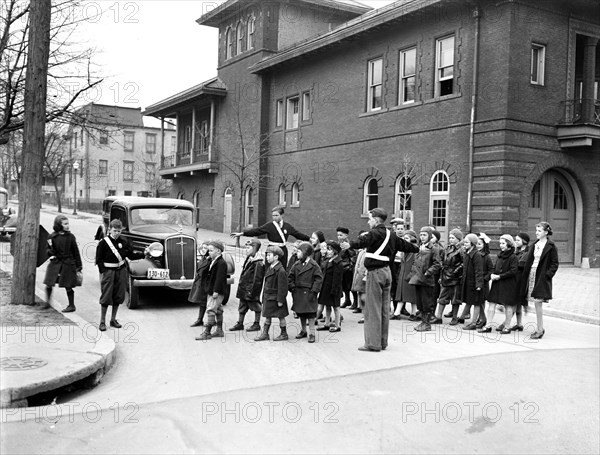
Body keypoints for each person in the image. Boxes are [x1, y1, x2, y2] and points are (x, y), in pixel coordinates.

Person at [342, 208, 419, 352]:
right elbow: (406, 246)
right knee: (384, 308)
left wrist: (350, 244)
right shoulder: (392, 234)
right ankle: (382, 342)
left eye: (370, 218)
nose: (368, 221)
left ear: (376, 220)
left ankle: (372, 343)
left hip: (375, 272)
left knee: (372, 309)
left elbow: (363, 240)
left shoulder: (374, 233)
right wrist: (418, 248)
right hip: (387, 272)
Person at [95, 219, 147, 331]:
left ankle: (113, 319)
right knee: (106, 296)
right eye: (115, 230)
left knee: (118, 296)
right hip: (108, 272)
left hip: (121, 271)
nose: (117, 233)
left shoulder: (124, 241)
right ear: (110, 230)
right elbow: (98, 259)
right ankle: (102, 321)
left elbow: (131, 255)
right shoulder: (103, 243)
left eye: (119, 231)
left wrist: (144, 254)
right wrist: (103, 272)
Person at [230, 206, 309, 267]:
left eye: (276, 215)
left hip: (283, 251)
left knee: (282, 270)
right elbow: (257, 231)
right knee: (269, 270)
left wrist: (309, 239)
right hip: (271, 250)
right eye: (273, 215)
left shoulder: (287, 226)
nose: (274, 217)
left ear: (282, 215)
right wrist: (242, 233)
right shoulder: (269, 225)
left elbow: (298, 234)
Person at [521, 222, 559, 339]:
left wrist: (547, 275)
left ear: (546, 232)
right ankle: (538, 327)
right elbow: (528, 260)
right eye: (536, 230)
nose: (537, 233)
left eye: (539, 231)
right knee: (532, 301)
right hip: (531, 275)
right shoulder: (535, 245)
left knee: (538, 302)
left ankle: (539, 329)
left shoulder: (551, 246)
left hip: (541, 276)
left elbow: (555, 263)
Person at [478, 234, 518, 334]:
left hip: (508, 284)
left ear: (509, 244)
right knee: (491, 303)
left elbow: (513, 271)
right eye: (500, 243)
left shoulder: (513, 257)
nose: (501, 245)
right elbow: (496, 268)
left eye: (503, 243)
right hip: (497, 283)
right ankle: (488, 326)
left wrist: (499, 276)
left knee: (507, 305)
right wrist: (492, 274)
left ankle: (507, 327)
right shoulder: (500, 255)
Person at [43, 215, 83, 313]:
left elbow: (75, 252)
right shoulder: (52, 236)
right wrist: (50, 252)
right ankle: (47, 302)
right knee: (49, 282)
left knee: (68, 285)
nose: (67, 226)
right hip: (56, 262)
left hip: (68, 263)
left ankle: (71, 305)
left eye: (68, 223)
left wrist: (79, 266)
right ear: (58, 225)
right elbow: (47, 248)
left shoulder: (70, 237)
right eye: (65, 224)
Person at [408, 226, 442, 332]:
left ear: (429, 236)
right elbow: (415, 262)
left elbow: (438, 264)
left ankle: (427, 323)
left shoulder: (434, 249)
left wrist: (428, 272)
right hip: (417, 279)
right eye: (421, 235)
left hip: (427, 281)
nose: (422, 237)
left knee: (426, 302)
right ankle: (423, 322)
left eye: (425, 235)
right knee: (420, 303)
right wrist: (412, 274)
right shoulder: (419, 247)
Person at [288, 242, 323, 343]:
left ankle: (312, 333)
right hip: (298, 292)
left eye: (299, 252)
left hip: (309, 293)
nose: (297, 254)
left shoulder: (314, 265)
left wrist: (314, 291)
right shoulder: (296, 264)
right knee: (301, 313)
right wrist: (292, 287)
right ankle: (303, 331)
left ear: (305, 253)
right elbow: (290, 277)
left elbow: (318, 279)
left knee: (311, 314)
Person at [229, 239, 265, 332]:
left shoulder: (258, 263)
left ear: (254, 248)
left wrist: (252, 292)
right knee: (242, 306)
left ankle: (256, 324)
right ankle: (240, 323)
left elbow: (257, 280)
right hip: (244, 289)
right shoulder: (249, 259)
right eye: (246, 248)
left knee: (256, 306)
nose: (246, 250)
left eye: (248, 248)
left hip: (250, 290)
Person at [255, 246, 289, 342]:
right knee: (267, 316)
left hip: (276, 298)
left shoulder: (281, 270)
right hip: (268, 297)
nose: (267, 257)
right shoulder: (270, 267)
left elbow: (283, 288)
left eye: (269, 255)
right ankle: (265, 334)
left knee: (281, 316)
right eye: (266, 255)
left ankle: (283, 334)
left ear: (276, 257)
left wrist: (280, 300)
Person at [195, 241, 228, 340]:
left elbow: (219, 278)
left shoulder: (221, 263)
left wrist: (216, 291)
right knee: (218, 309)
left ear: (218, 251)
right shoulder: (212, 260)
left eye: (211, 250)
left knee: (210, 309)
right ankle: (219, 330)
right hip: (211, 289)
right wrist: (207, 260)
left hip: (216, 291)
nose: (209, 252)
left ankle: (207, 333)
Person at [432, 228, 464, 324]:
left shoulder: (461, 250)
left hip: (455, 277)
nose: (450, 239)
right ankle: (438, 317)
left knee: (455, 299)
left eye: (453, 238)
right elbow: (441, 258)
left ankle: (454, 317)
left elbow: (463, 263)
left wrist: (456, 271)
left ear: (458, 239)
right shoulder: (447, 248)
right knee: (442, 297)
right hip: (445, 275)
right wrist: (442, 266)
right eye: (450, 237)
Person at [317, 240, 344, 332]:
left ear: (335, 251)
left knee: (336, 307)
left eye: (329, 249)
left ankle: (337, 325)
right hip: (326, 288)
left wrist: (335, 290)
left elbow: (337, 279)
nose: (327, 251)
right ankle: (327, 323)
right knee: (327, 306)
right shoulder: (329, 260)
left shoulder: (338, 263)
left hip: (333, 288)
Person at [460, 234, 484, 330]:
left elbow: (479, 271)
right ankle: (462, 317)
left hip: (474, 283)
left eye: (466, 242)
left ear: (472, 244)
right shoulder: (467, 253)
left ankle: (473, 323)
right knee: (470, 301)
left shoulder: (476, 255)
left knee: (476, 303)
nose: (464, 244)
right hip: (468, 282)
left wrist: (478, 284)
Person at [394, 230, 419, 321]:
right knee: (402, 295)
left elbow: (416, 264)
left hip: (410, 275)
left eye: (407, 238)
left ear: (412, 239)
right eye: (404, 238)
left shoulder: (415, 250)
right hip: (403, 274)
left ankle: (413, 313)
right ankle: (397, 313)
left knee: (412, 295)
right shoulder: (404, 250)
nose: (404, 240)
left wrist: (411, 274)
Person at [508, 232, 531, 331]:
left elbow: (521, 265)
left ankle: (506, 323)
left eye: (518, 240)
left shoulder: (528, 252)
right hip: (515, 278)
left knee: (515, 301)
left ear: (524, 241)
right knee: (517, 303)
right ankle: (519, 324)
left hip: (521, 279)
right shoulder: (516, 251)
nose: (515, 242)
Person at [189, 241, 211, 327]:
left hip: (208, 283)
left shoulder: (211, 260)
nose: (204, 250)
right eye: (203, 248)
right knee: (202, 302)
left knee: (211, 304)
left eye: (206, 248)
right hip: (202, 283)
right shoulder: (204, 258)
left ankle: (212, 321)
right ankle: (200, 319)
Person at [389, 218, 407, 318]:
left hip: (403, 264)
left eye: (402, 228)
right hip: (394, 264)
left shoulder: (406, 239)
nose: (400, 230)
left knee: (403, 285)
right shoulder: (392, 239)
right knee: (395, 286)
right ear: (395, 229)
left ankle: (402, 308)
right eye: (398, 228)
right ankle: (395, 308)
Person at [337, 227, 357, 309]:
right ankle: (347, 299)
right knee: (344, 285)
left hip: (348, 268)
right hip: (342, 267)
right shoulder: (339, 244)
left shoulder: (348, 244)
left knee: (350, 285)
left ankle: (356, 302)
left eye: (341, 235)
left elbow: (353, 255)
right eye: (338, 235)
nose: (339, 237)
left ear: (346, 235)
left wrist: (350, 266)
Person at [351, 231, 368, 322]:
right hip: (359, 277)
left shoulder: (369, 251)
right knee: (361, 296)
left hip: (365, 278)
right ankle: (364, 314)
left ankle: (366, 315)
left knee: (364, 297)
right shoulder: (361, 251)